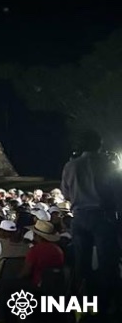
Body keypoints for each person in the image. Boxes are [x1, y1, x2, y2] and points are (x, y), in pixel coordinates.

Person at [61, 129, 120, 304]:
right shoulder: (107, 164)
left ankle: (84, 300)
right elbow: (116, 190)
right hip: (102, 216)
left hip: (79, 216)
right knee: (107, 261)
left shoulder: (70, 165)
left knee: (82, 262)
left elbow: (65, 193)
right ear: (98, 144)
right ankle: (107, 301)